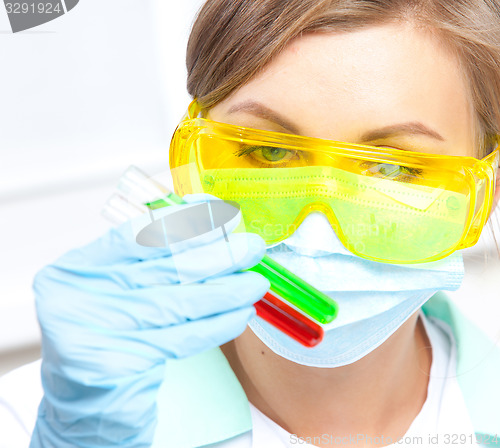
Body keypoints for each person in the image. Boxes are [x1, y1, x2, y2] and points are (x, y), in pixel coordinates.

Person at [1, 0, 500, 447]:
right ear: (191, 165)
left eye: (391, 167)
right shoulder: (33, 421)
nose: (315, 234)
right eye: (269, 151)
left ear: (486, 191)